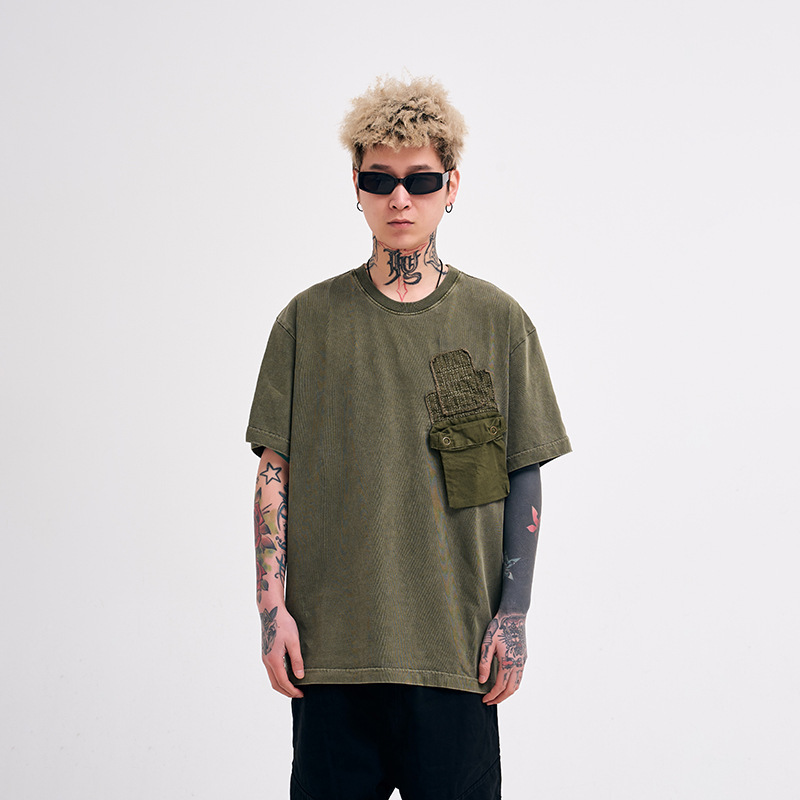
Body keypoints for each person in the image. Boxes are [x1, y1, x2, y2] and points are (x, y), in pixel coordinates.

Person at [246, 75, 572, 800]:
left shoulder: (497, 322)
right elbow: (274, 473)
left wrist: (513, 615)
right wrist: (272, 612)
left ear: (451, 186)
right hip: (332, 659)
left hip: (455, 656)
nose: (400, 198)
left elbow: (522, 472)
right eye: (380, 179)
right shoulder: (306, 322)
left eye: (420, 180)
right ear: (356, 187)